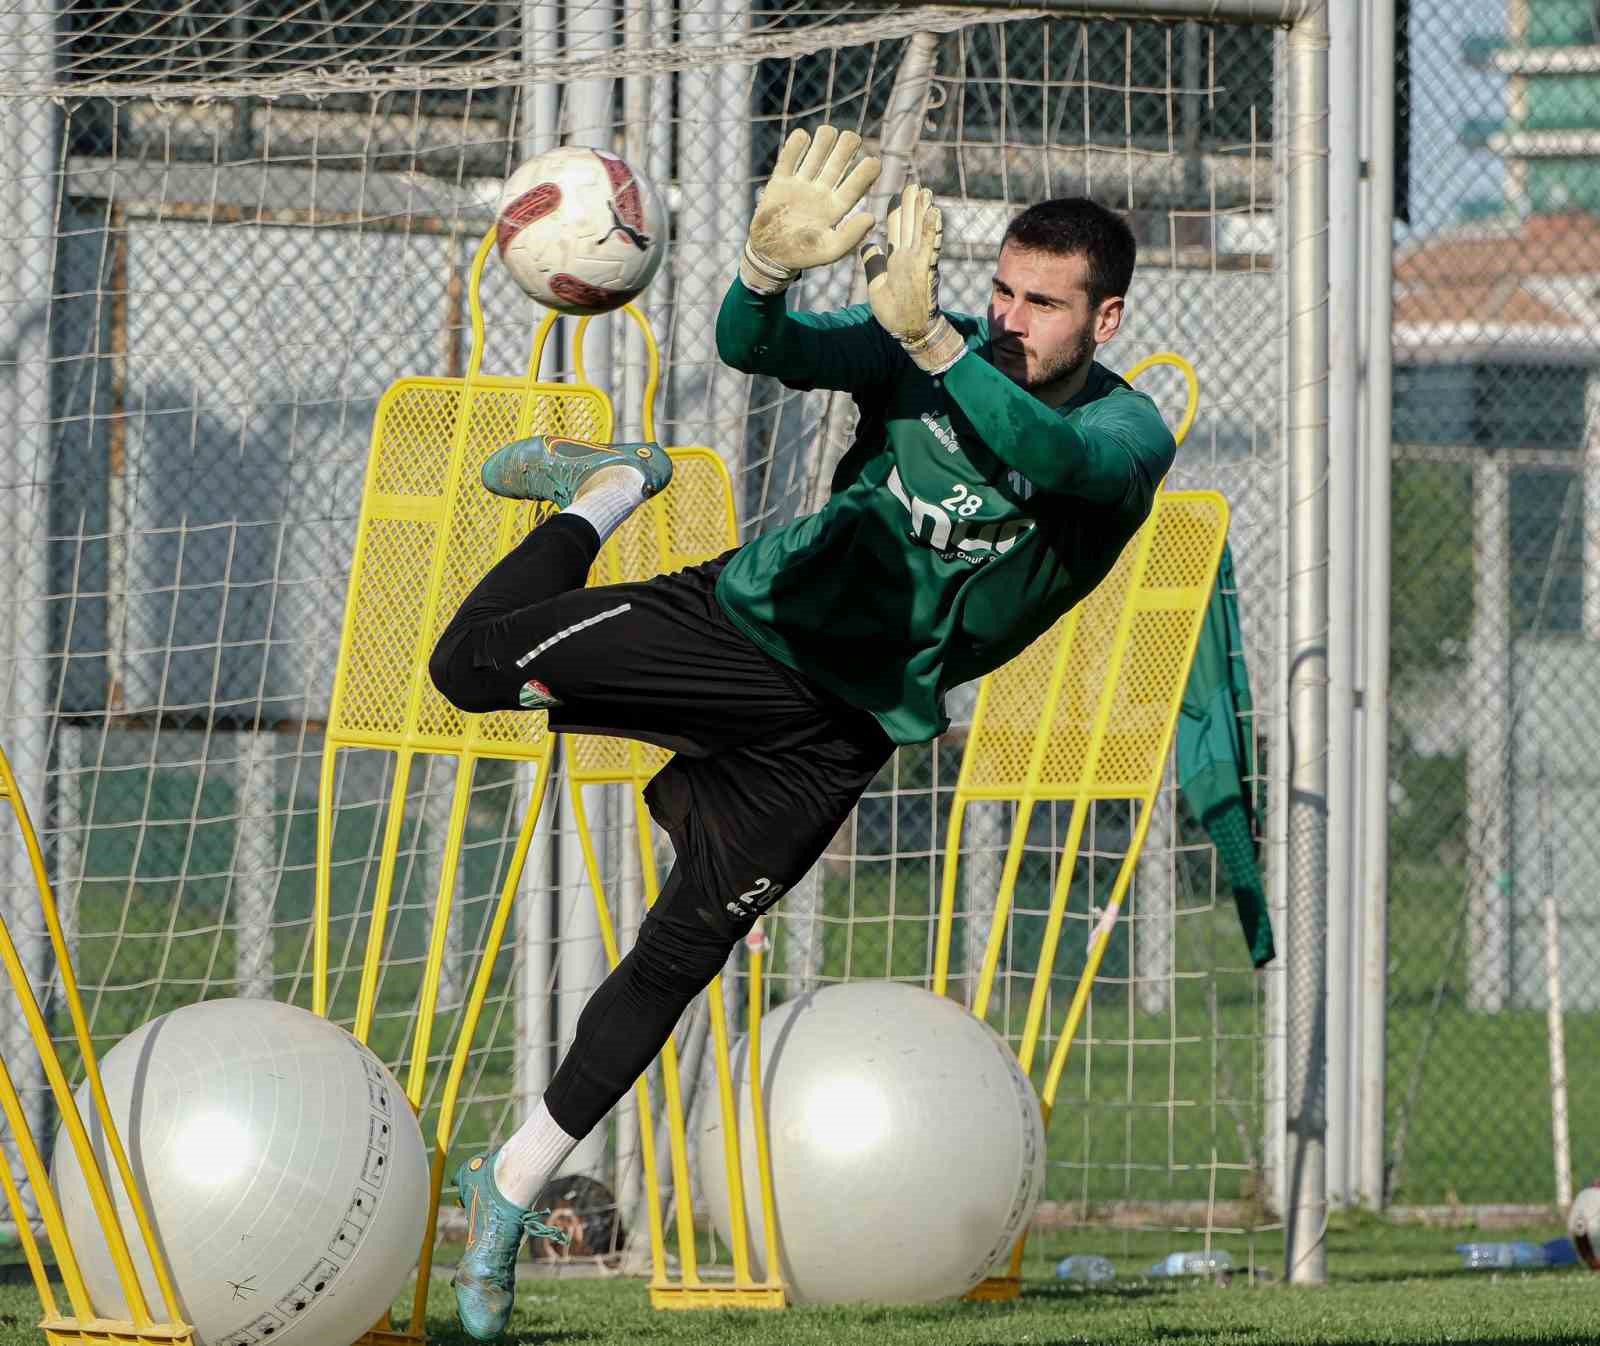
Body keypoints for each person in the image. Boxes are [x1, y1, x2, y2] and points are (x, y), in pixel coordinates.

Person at [428, 123, 1176, 1340]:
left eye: (1042, 304)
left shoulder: (1128, 436)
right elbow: (751, 348)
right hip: (740, 626)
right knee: (465, 667)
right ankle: (609, 487)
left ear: (1106, 321)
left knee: (679, 952)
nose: (1008, 317)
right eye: (999, 290)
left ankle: (510, 1187)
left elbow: (1043, 450)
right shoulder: (931, 347)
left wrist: (934, 336)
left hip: (840, 730)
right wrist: (765, 274)